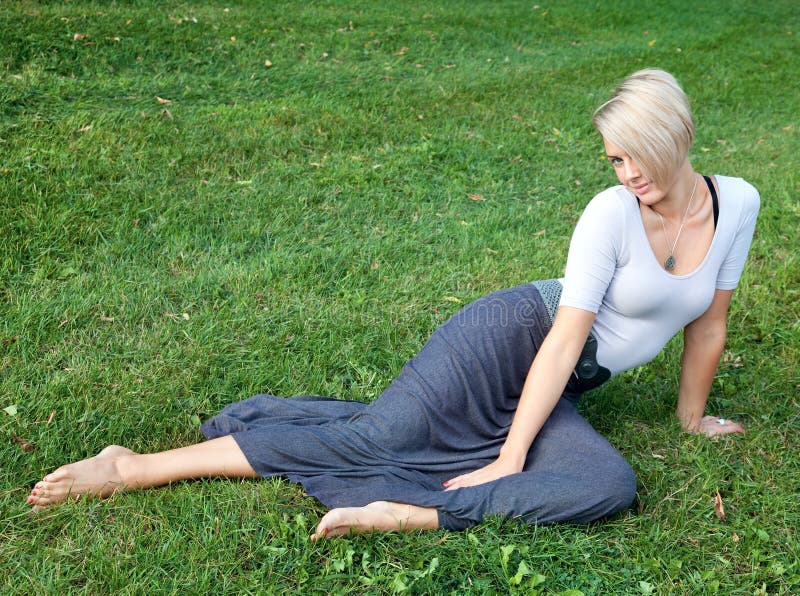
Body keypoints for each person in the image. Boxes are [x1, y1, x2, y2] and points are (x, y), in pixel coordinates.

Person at [27, 69, 760, 540]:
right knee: (374, 442)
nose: (629, 173)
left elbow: (710, 324)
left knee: (608, 486)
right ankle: (134, 466)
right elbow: (564, 339)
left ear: (679, 138)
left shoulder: (738, 205)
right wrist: (509, 457)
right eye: (614, 159)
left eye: (638, 154)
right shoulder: (610, 213)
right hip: (511, 339)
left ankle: (413, 513)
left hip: (560, 385)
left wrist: (691, 421)